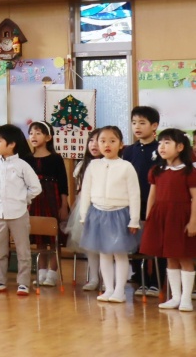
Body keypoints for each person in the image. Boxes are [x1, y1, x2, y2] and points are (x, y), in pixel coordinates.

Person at [79, 126, 141, 303]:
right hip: (97, 213)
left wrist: (134, 220)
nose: (107, 145)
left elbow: (134, 195)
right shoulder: (93, 165)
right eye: (103, 141)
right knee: (103, 253)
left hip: (119, 214)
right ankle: (109, 288)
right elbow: (86, 192)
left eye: (112, 141)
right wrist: (84, 215)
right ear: (97, 144)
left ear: (121, 144)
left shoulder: (126, 167)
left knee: (119, 253)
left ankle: (120, 290)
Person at [0, 124, 42, 296]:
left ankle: (23, 283)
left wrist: (23, 198)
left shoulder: (22, 165)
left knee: (23, 250)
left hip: (18, 213)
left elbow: (36, 187)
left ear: (12, 144)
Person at [140, 128, 196, 311]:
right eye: (160, 143)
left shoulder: (189, 171)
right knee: (170, 257)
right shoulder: (157, 170)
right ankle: (176, 297)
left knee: (185, 257)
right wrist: (149, 218)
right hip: (161, 217)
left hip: (181, 218)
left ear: (180, 147)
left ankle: (186, 298)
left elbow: (195, 198)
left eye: (167, 143)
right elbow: (152, 196)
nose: (162, 147)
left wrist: (193, 221)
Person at [123, 105, 161, 297]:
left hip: (154, 201)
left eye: (142, 123)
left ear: (154, 126)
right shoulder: (129, 151)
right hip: (132, 202)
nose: (137, 127)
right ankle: (139, 276)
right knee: (135, 239)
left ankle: (157, 280)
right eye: (134, 123)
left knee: (155, 240)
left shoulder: (161, 149)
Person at [27, 121, 70, 288]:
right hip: (34, 200)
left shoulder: (56, 158)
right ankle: (41, 271)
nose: (34, 136)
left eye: (38, 133)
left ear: (48, 137)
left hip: (52, 200)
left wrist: (64, 205)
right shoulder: (27, 159)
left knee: (53, 239)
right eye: (31, 133)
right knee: (39, 238)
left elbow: (63, 184)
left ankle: (52, 273)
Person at [65, 129, 104, 291]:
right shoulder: (82, 164)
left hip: (106, 206)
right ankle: (94, 278)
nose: (94, 145)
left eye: (98, 141)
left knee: (105, 246)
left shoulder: (114, 163)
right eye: (91, 141)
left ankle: (107, 280)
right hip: (86, 206)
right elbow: (77, 189)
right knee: (90, 246)